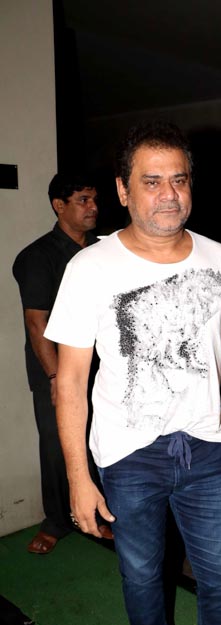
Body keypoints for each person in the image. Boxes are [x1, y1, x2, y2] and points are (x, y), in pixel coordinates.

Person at [44, 121, 221, 625]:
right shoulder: (90, 267)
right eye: (151, 181)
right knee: (142, 574)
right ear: (123, 190)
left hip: (208, 447)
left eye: (179, 179)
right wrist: (78, 478)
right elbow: (70, 381)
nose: (168, 194)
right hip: (128, 453)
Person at [12, 173, 109, 554]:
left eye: (94, 199)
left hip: (101, 366)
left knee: (102, 442)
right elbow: (37, 323)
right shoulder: (37, 257)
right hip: (55, 369)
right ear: (59, 206)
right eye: (83, 200)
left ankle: (100, 515)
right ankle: (56, 521)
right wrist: (56, 377)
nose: (93, 207)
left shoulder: (104, 251)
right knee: (57, 446)